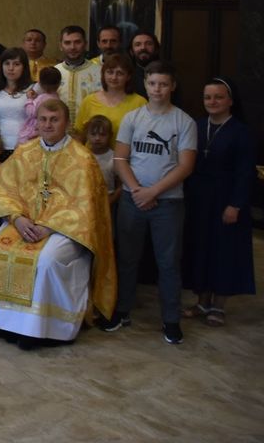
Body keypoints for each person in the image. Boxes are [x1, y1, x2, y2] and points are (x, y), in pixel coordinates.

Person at [0, 99, 116, 347]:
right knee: (0, 248)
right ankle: (8, 324)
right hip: (25, 221)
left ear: (67, 123)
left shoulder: (83, 159)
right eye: (43, 119)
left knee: (46, 260)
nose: (48, 125)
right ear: (35, 122)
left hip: (64, 229)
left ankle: (44, 329)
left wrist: (49, 226)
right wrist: (16, 217)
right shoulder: (25, 152)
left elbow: (86, 208)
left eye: (54, 119)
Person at [105, 61, 197, 344]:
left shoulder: (184, 121)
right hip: (133, 199)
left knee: (168, 263)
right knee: (127, 258)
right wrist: (135, 189)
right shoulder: (133, 118)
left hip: (167, 203)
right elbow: (120, 159)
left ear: (172, 86)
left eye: (163, 84)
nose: (157, 89)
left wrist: (152, 192)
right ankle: (122, 310)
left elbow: (185, 167)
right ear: (145, 84)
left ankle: (170, 320)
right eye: (153, 83)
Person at [181, 77, 255, 328]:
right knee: (201, 248)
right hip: (200, 199)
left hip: (227, 199)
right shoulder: (197, 126)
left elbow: (246, 173)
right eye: (207, 97)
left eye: (218, 97)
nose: (212, 102)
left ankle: (218, 305)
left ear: (231, 101)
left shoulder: (241, 132)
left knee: (224, 252)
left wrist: (235, 204)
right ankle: (202, 300)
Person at [74, 52, 146, 141]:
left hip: (125, 154)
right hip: (90, 154)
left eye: (120, 73)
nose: (114, 77)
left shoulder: (140, 103)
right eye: (110, 72)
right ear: (103, 74)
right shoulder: (88, 101)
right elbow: (79, 136)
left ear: (128, 76)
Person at [0, 47, 32, 155]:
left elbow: (37, 122)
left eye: (16, 64)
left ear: (24, 67)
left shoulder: (32, 90)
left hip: (26, 147)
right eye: (7, 63)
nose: (11, 68)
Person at [57, 25, 102, 121]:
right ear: (61, 46)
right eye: (67, 43)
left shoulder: (100, 72)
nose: (72, 47)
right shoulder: (54, 73)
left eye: (77, 42)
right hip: (59, 132)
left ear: (85, 44)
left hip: (91, 130)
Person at [17, 66, 61, 145]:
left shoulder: (41, 98)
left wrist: (29, 99)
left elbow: (31, 113)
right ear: (59, 84)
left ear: (40, 83)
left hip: (34, 130)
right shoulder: (57, 97)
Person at [83, 115, 117, 205]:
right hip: (86, 202)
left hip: (109, 201)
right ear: (87, 135)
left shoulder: (114, 158)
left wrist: (111, 200)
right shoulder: (82, 156)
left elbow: (121, 185)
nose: (97, 138)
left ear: (110, 135)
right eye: (93, 134)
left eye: (102, 134)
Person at [128, 31, 161, 98]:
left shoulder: (167, 73)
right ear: (131, 51)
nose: (143, 48)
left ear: (156, 49)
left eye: (148, 44)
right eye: (138, 44)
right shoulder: (127, 74)